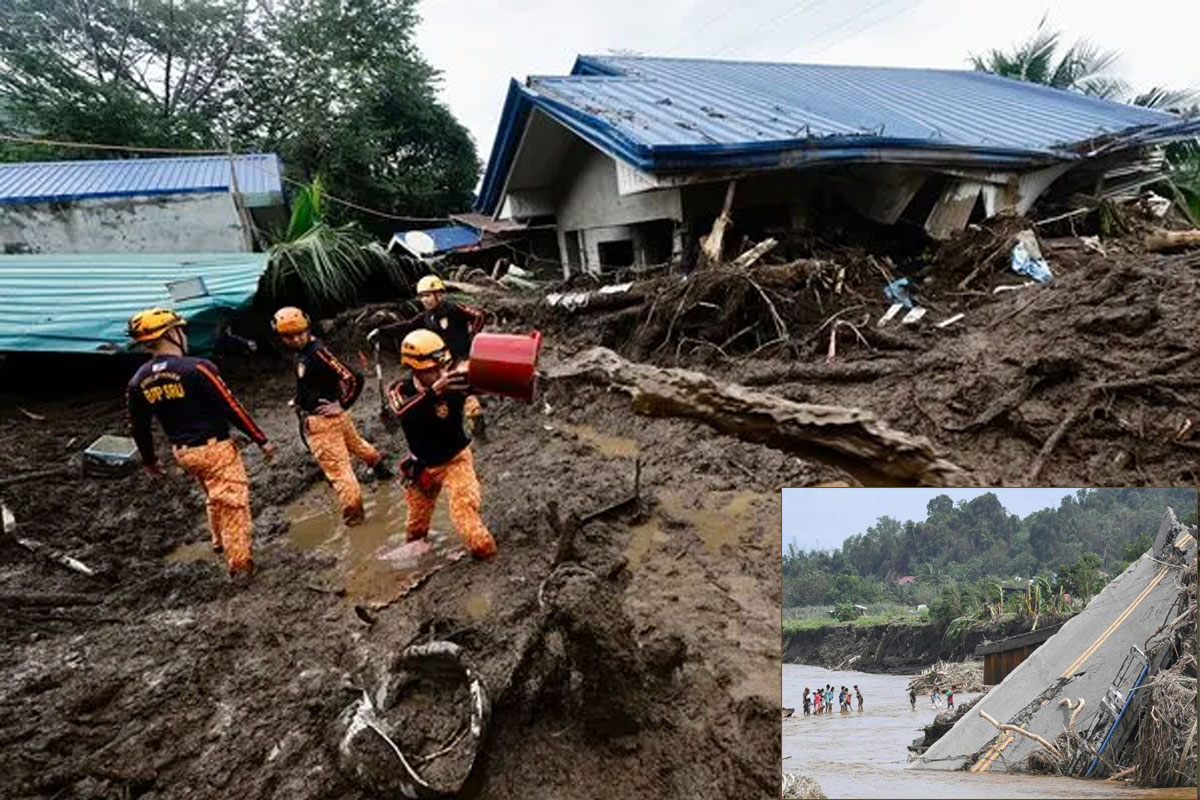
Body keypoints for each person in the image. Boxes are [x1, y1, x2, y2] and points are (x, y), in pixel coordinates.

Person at [125, 308, 274, 577]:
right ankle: (240, 565)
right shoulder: (197, 368)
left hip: (184, 453)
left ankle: (218, 541)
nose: (184, 334)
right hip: (214, 447)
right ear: (171, 333)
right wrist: (260, 439)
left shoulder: (139, 380)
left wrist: (149, 460)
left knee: (213, 493)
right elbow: (231, 406)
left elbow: (138, 427)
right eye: (180, 330)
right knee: (233, 504)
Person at [273, 306, 392, 524]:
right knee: (358, 446)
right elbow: (308, 381)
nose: (297, 339)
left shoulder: (317, 352)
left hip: (324, 422)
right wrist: (299, 400)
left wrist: (343, 404)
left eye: (300, 333)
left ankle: (355, 521)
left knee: (340, 474)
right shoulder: (305, 352)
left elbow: (355, 377)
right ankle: (383, 472)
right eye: (290, 336)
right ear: (283, 337)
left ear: (307, 328)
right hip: (335, 419)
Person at [384, 330, 497, 559]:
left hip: (456, 460)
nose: (440, 373)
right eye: (431, 371)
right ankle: (422, 561)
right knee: (415, 529)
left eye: (442, 366)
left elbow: (492, 381)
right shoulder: (400, 390)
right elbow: (402, 413)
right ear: (415, 369)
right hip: (422, 467)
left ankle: (487, 555)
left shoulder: (455, 383)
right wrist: (433, 393)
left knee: (464, 511)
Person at [368, 275, 489, 438]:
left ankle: (479, 431)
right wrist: (381, 331)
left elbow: (479, 315)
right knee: (438, 393)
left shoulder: (454, 308)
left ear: (438, 294)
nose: (424, 300)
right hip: (441, 362)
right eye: (422, 296)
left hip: (461, 358)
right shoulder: (426, 317)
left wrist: (474, 337)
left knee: (465, 393)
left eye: (428, 295)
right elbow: (407, 325)